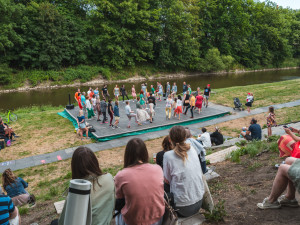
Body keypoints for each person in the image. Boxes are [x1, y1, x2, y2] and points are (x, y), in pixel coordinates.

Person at [57, 147, 115, 225]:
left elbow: (62, 222)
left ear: (75, 167)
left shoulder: (77, 194)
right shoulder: (109, 178)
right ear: (95, 162)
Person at [114, 138, 165, 225]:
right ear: (145, 153)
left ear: (127, 155)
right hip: (158, 218)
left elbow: (120, 198)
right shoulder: (158, 169)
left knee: (116, 209)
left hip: (134, 221)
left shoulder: (121, 175)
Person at [163, 126, 205, 217]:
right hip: (199, 201)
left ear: (170, 140)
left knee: (161, 187)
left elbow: (167, 180)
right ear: (185, 137)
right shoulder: (193, 149)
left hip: (182, 208)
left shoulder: (168, 156)